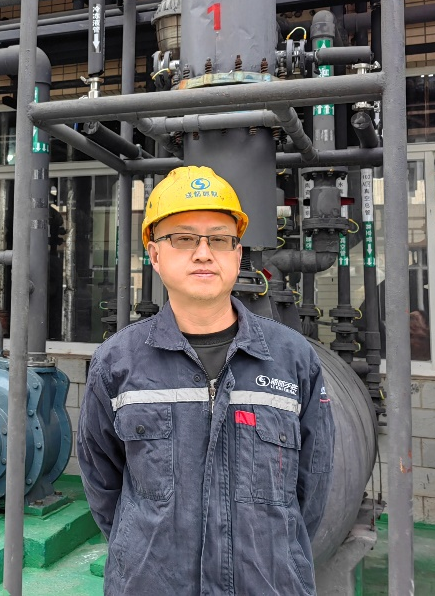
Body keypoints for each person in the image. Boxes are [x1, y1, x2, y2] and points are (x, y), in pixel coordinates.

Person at [77, 165, 335, 595]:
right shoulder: (117, 363)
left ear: (237, 252)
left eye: (218, 239)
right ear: (154, 254)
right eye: (183, 239)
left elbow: (312, 487)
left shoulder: (292, 358)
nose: (203, 253)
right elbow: (103, 486)